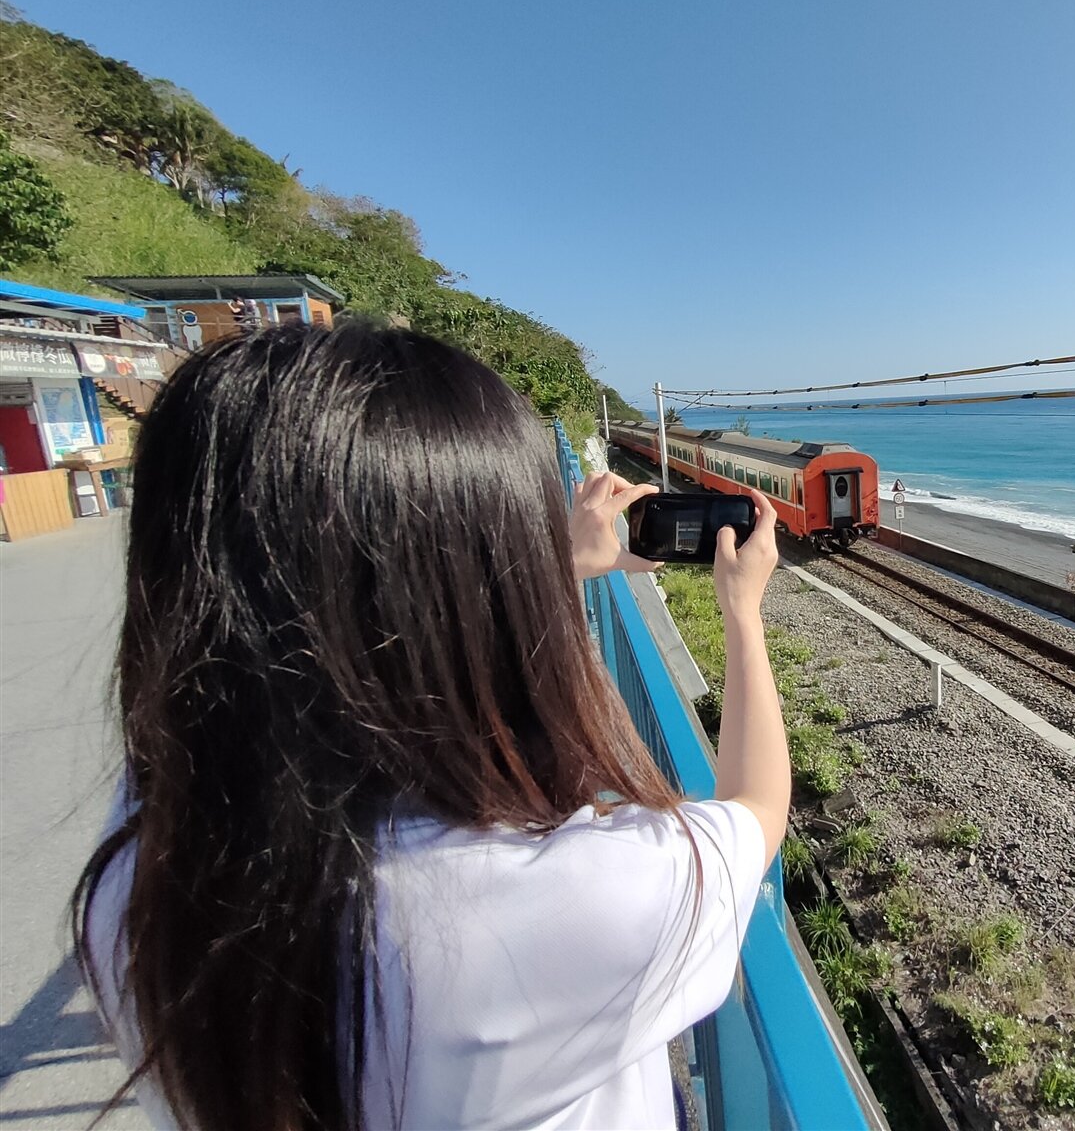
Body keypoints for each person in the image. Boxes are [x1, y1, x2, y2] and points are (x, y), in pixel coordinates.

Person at [73, 316, 789, 1131]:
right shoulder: (573, 904)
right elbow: (757, 810)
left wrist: (551, 568)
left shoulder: (142, 874)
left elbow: (329, 637)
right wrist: (742, 613)